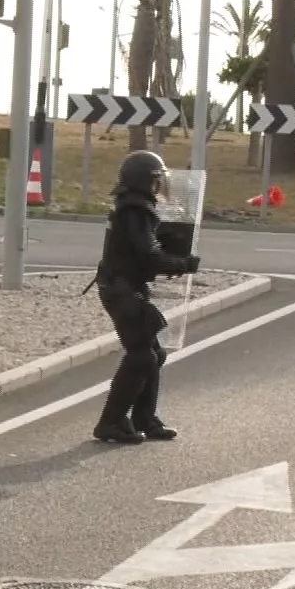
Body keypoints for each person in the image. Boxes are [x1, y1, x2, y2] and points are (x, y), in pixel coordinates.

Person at [92, 150, 198, 445]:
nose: (159, 186)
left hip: (124, 287)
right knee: (141, 357)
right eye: (156, 181)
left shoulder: (131, 207)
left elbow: (145, 251)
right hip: (122, 290)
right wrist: (181, 264)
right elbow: (149, 254)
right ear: (146, 182)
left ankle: (144, 419)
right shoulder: (135, 211)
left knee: (154, 354)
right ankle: (110, 422)